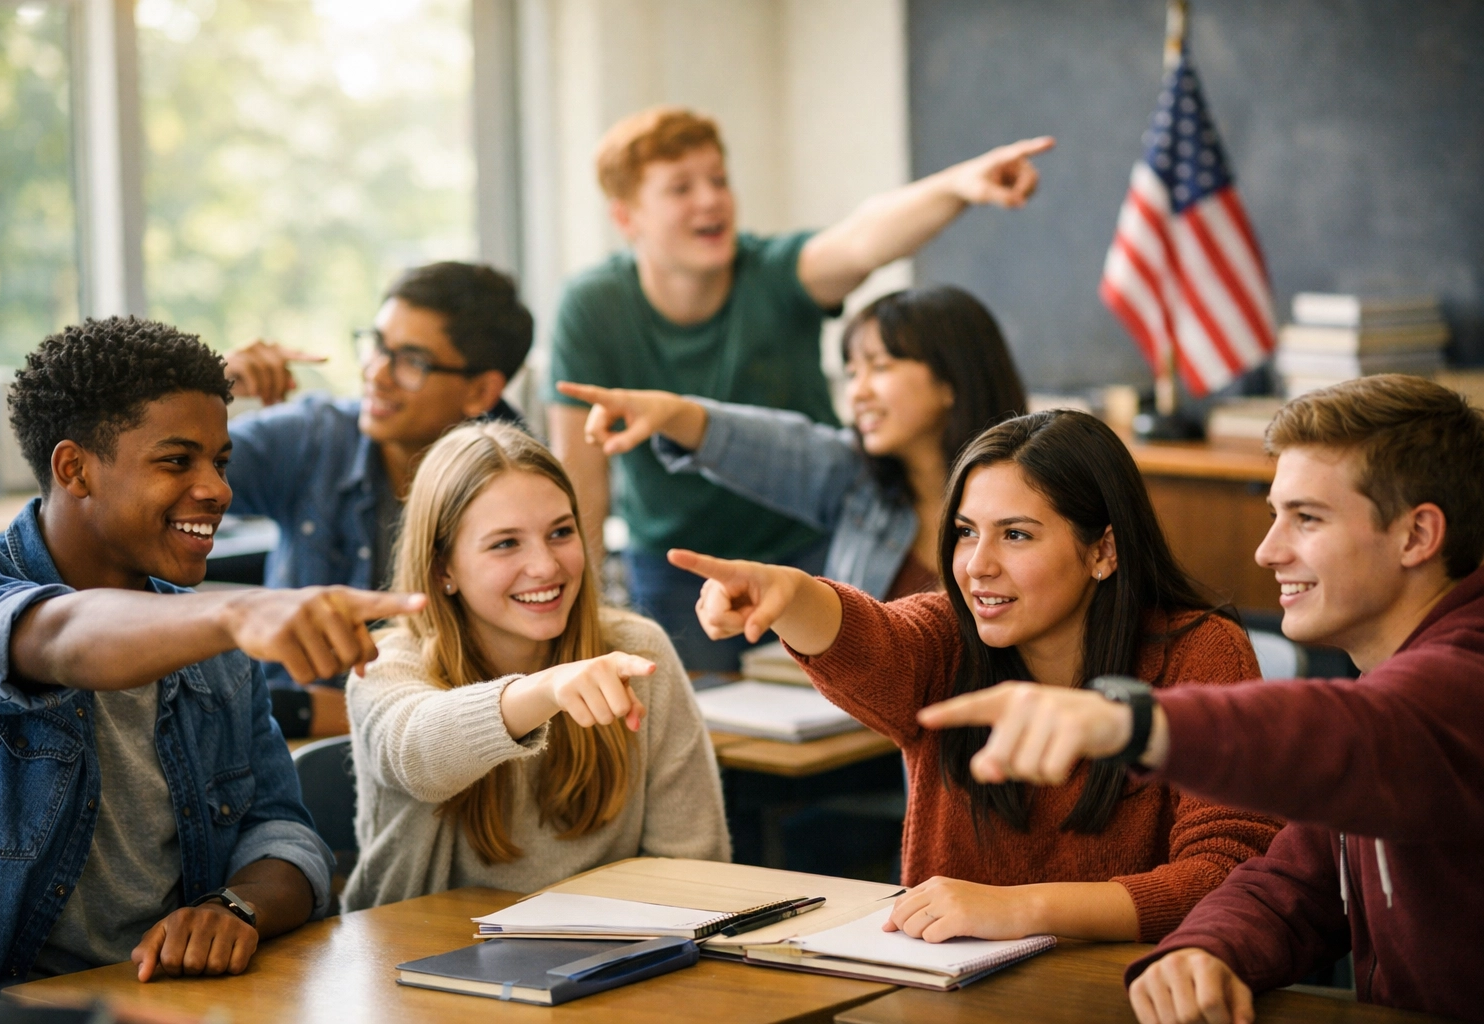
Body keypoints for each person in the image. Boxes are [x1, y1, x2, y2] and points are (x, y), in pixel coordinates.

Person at [909, 376, 1484, 1024]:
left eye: (1307, 518)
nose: (1268, 551)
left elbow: (1347, 733)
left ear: (1416, 536)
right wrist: (1206, 949)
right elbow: (1295, 883)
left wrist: (1125, 722)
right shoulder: (1398, 682)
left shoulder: (1462, 683)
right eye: (1275, 515)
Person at [670, 410, 1280, 944]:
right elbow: (868, 640)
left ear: (1103, 552)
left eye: (1016, 535)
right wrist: (791, 593)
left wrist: (1022, 908)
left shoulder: (1201, 653)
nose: (978, 566)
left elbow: (1228, 873)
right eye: (966, 532)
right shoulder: (945, 637)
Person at [0, 317, 424, 986]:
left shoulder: (214, 646)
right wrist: (235, 612)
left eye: (221, 462)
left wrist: (235, 907)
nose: (219, 489)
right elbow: (56, 637)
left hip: (172, 1001)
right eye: (178, 461)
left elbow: (284, 834)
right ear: (73, 468)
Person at [548, 104, 1053, 670]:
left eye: (718, 180)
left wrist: (961, 185)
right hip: (677, 564)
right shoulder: (594, 307)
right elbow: (582, 470)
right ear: (627, 216)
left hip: (809, 543)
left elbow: (864, 237)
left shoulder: (773, 274)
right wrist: (576, 614)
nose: (710, 199)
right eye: (680, 188)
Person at [341, 423, 728, 908]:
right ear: (444, 569)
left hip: (610, 955)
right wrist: (544, 692)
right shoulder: (383, 664)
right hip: (419, 958)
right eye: (505, 543)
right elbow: (416, 757)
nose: (545, 566)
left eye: (561, 532)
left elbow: (693, 865)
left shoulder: (636, 650)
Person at [558, 285, 1026, 602]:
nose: (858, 392)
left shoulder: (1036, 486)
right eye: (851, 373)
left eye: (879, 368)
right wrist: (672, 413)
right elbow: (769, 446)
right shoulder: (857, 481)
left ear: (952, 380)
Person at [223, 261, 530, 729]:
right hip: (289, 748)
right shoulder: (314, 439)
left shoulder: (523, 487)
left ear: (481, 391)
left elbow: (511, 680)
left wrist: (315, 713)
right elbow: (153, 477)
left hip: (452, 754)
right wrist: (210, 387)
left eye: (411, 361)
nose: (376, 373)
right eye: (377, 346)